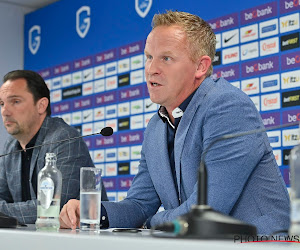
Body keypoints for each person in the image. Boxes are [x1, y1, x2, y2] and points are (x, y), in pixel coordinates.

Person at [60, 11, 290, 234]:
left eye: (166, 58)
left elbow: (205, 211)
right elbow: (139, 204)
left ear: (200, 66)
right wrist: (92, 211)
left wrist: (150, 222)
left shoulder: (228, 107)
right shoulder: (156, 126)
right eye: (149, 57)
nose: (152, 69)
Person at [0, 70, 108, 224]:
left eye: (15, 101)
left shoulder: (64, 138)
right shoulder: (10, 146)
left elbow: (53, 207)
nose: (5, 111)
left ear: (41, 105)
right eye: (2, 103)